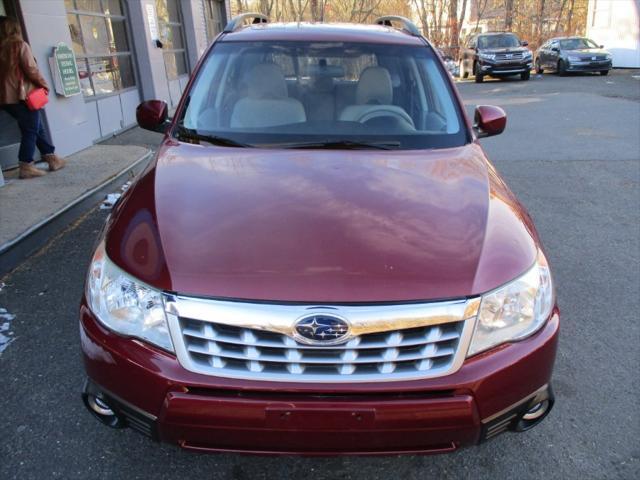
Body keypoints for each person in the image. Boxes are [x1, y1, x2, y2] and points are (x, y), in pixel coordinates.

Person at [0, 16, 65, 179]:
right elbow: (31, 69)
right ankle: (26, 165)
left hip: (5, 99)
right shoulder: (19, 45)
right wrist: (44, 85)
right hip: (21, 96)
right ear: (15, 29)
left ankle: (51, 158)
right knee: (30, 129)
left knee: (36, 126)